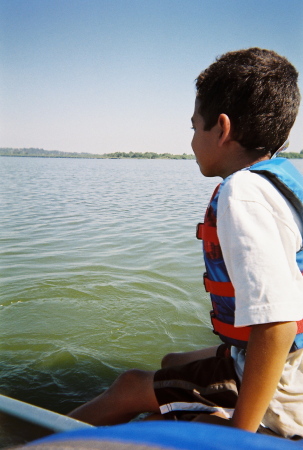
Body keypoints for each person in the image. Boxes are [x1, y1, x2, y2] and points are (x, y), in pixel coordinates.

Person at [69, 48, 303, 439]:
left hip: (281, 385)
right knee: (171, 360)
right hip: (280, 359)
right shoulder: (274, 183)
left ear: (222, 129)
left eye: (194, 127)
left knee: (128, 387)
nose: (191, 141)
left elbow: (277, 325)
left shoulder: (242, 193)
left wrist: (239, 436)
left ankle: (34, 439)